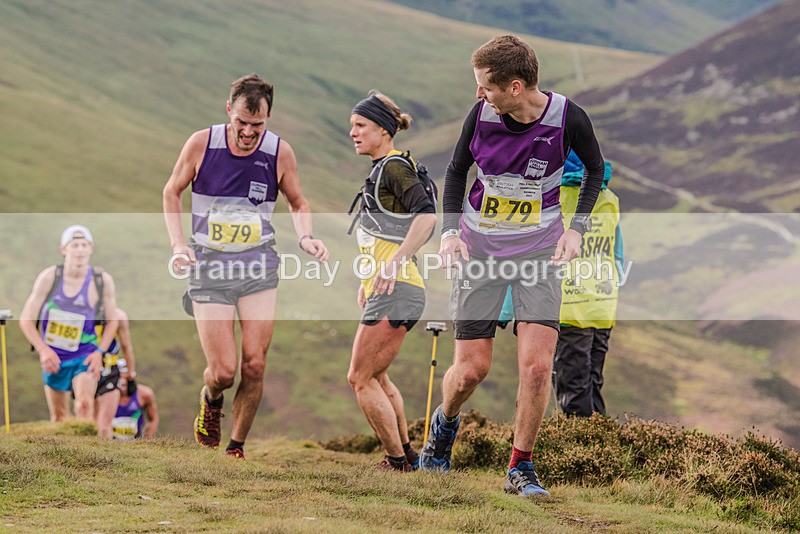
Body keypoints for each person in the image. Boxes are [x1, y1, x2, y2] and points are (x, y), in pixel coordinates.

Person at [423, 35, 606, 497]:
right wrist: (449, 234)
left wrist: (576, 229)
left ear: (516, 86)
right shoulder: (481, 115)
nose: (478, 94)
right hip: (480, 252)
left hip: (539, 253)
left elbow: (594, 169)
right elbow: (455, 171)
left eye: (485, 86)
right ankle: (442, 432)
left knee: (537, 368)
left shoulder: (568, 118)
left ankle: (520, 467)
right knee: (471, 372)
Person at [163, 73, 328, 459]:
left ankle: (235, 447)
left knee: (254, 364)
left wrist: (305, 236)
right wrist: (178, 244)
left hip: (258, 266)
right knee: (224, 370)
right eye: (241, 122)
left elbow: (298, 202)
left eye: (257, 124)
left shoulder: (278, 152)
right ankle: (211, 397)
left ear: (268, 118)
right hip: (209, 266)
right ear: (228, 111)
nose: (248, 132)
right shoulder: (202, 143)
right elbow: (172, 190)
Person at [346, 91, 437, 471]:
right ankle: (407, 456)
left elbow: (428, 217)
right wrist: (369, 277)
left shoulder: (394, 168)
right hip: (396, 288)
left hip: (398, 287)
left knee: (360, 377)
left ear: (383, 130)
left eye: (360, 126)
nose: (352, 133)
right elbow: (387, 235)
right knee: (377, 375)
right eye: (352, 126)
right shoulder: (383, 168)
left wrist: (392, 266)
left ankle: (396, 461)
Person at [18, 225, 120, 430]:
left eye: (84, 245)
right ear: (64, 249)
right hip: (54, 356)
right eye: (75, 245)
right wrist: (43, 350)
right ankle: (63, 459)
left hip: (86, 355)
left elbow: (113, 321)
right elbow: (26, 320)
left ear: (91, 249)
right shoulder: (49, 277)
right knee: (59, 417)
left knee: (84, 405)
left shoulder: (102, 281)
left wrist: (100, 352)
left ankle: (85, 457)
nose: (80, 250)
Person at [554, 151, 623, 417]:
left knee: (572, 388)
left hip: (570, 307)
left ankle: (584, 450)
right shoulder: (609, 198)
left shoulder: (557, 198)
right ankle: (602, 445)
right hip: (604, 305)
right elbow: (618, 254)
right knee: (592, 383)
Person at [112, 375, 159, 439]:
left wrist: (147, 439)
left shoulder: (144, 394)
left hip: (136, 440)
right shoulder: (104, 395)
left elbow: (153, 419)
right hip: (111, 441)